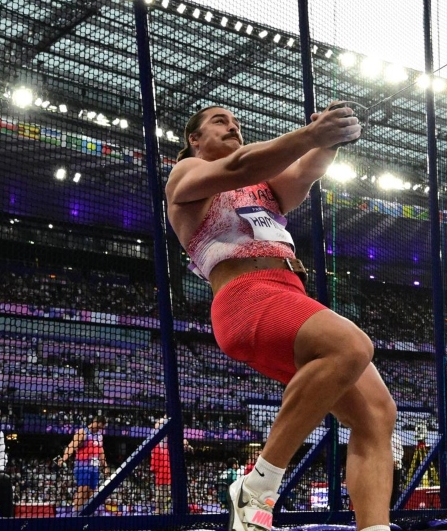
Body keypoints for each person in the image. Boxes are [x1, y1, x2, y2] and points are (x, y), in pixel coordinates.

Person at [165, 104, 396, 531]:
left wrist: (331, 136)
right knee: (352, 345)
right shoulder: (187, 175)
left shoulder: (264, 188)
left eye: (236, 123)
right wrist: (310, 135)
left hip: (290, 296)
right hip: (245, 297)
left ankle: (375, 528)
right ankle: (257, 486)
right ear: (193, 140)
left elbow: (306, 170)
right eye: (220, 122)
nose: (233, 126)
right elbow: (239, 165)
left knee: (378, 413)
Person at [57, 415, 108, 511]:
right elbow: (71, 445)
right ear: (94, 422)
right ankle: (76, 514)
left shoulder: (100, 435)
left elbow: (101, 451)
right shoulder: (82, 432)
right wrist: (64, 458)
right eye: (99, 427)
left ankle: (87, 515)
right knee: (83, 490)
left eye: (101, 428)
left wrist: (105, 466)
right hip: (82, 465)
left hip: (95, 467)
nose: (99, 429)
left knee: (92, 493)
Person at [151, 416, 193, 514]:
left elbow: (183, 442)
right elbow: (158, 425)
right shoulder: (158, 438)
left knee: (174, 497)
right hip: (163, 474)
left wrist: (187, 445)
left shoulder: (171, 440)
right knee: (161, 497)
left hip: (172, 473)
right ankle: (159, 514)